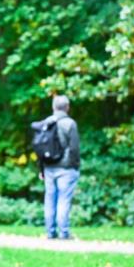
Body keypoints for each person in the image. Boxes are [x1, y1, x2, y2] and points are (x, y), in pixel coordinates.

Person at [34, 95, 81, 240]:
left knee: (49, 199)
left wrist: (41, 169)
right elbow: (74, 148)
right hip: (66, 168)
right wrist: (75, 166)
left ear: (53, 107)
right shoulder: (70, 124)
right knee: (64, 199)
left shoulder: (46, 122)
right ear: (67, 107)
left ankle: (50, 232)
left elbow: (40, 148)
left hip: (48, 168)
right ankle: (64, 233)